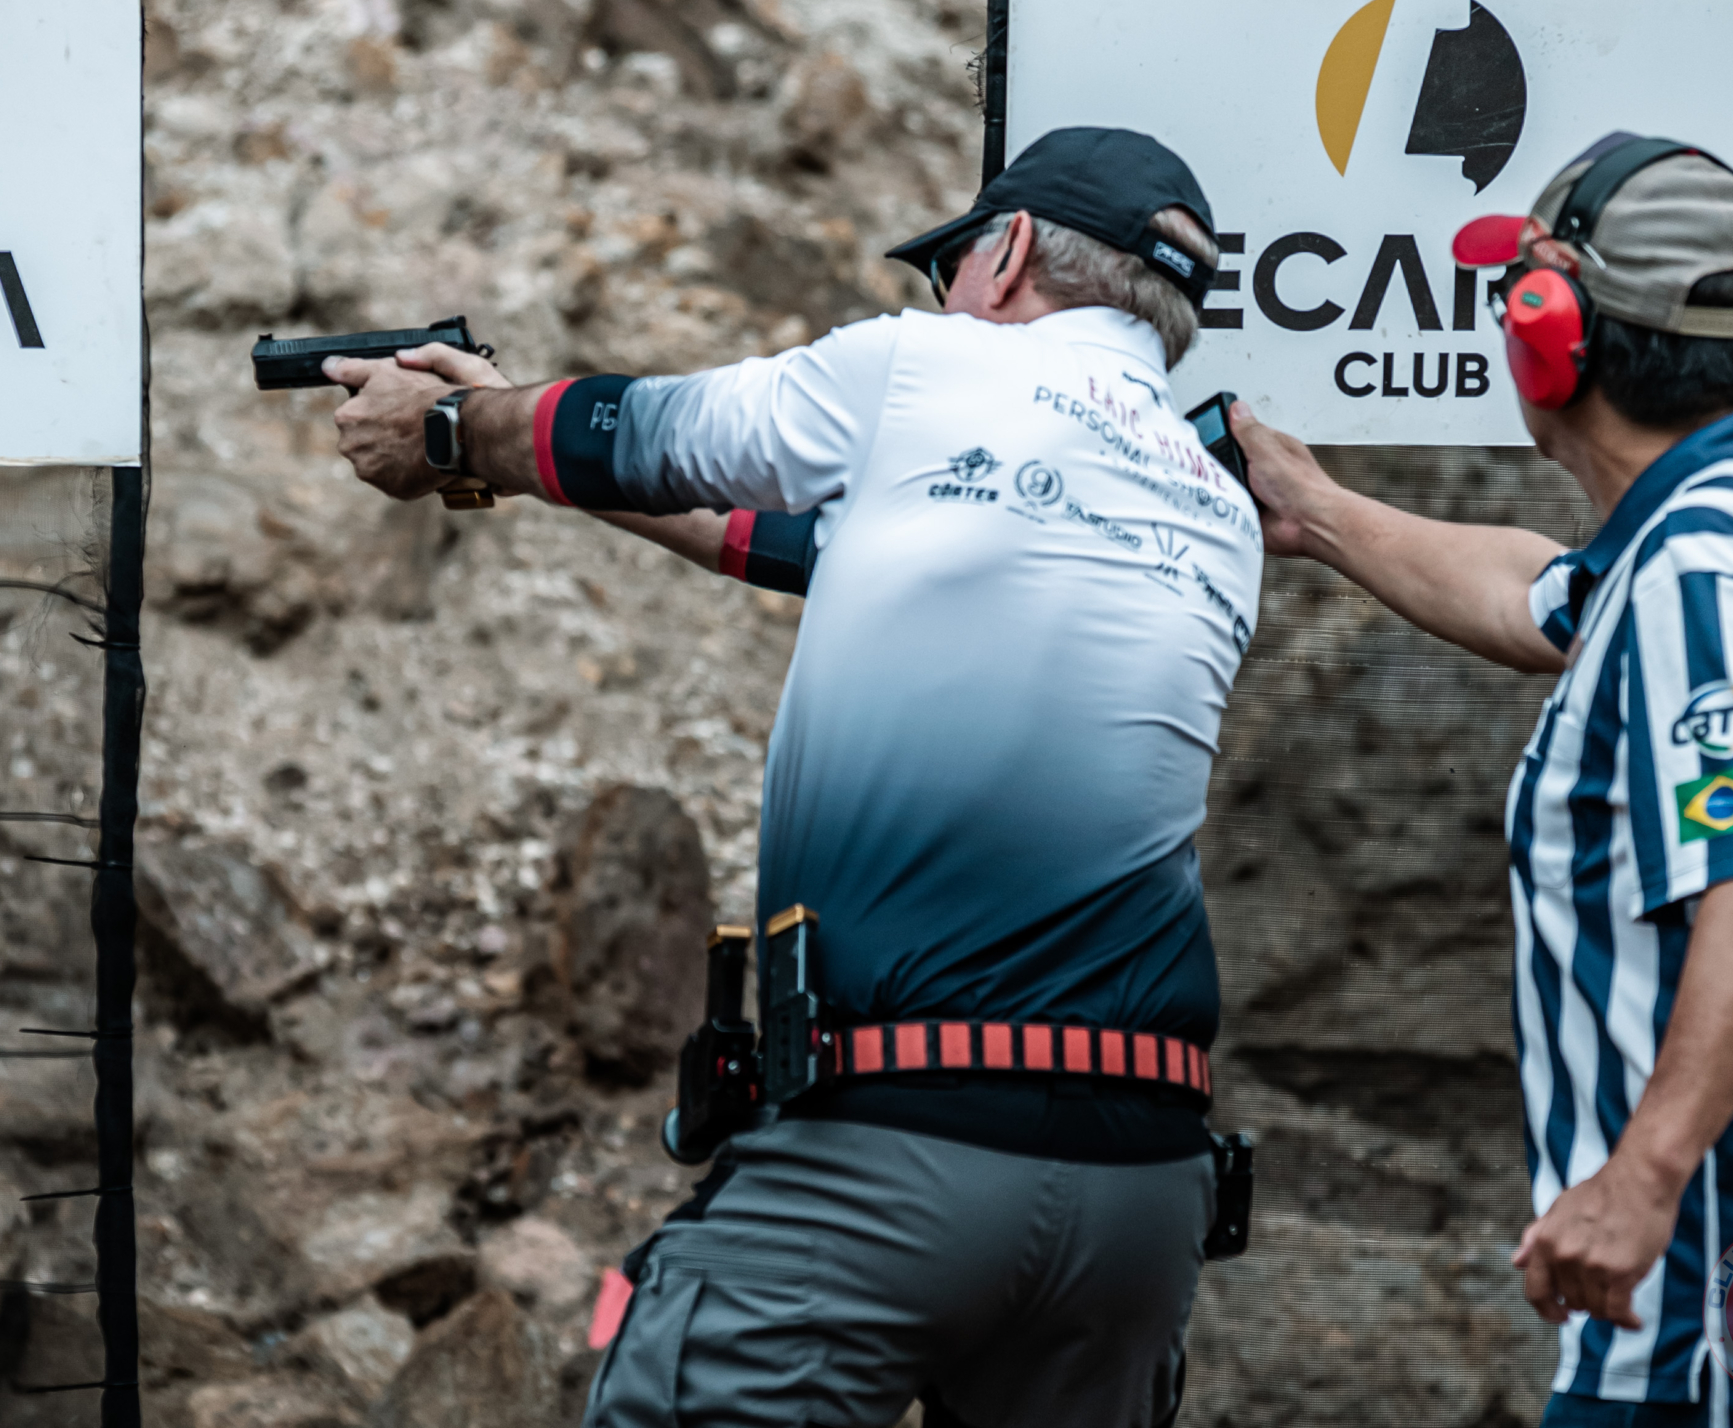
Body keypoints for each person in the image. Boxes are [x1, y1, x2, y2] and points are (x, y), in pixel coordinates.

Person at [325, 126, 1260, 1428]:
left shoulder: (922, 367)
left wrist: (448, 428)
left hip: (902, 1136)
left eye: (953, 265)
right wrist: (501, 420)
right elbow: (773, 534)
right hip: (1144, 1191)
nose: (945, 293)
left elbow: (647, 435)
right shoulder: (1213, 508)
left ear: (1009, 251)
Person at [1234, 133, 1733, 1425]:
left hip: (1732, 1307)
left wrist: (1641, 1179)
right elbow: (1533, 593)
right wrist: (1318, 511)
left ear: (1556, 338)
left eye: (1518, 296)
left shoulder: (1704, 577)